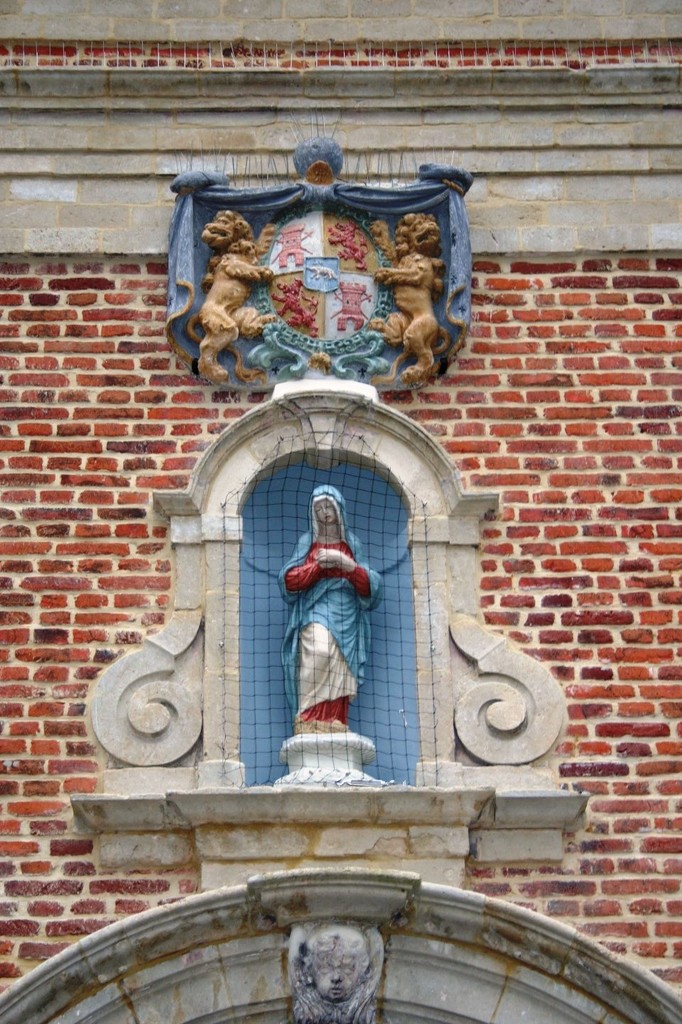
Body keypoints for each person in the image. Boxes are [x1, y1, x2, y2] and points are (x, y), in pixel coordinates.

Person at [279, 485, 382, 734]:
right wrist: (316, 568)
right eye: (319, 509)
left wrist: (348, 566)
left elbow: (371, 586)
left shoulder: (352, 543)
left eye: (329, 507)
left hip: (346, 611)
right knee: (319, 651)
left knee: (341, 667)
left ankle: (335, 720)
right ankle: (308, 716)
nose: (324, 513)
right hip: (315, 609)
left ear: (338, 510)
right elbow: (288, 580)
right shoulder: (307, 543)